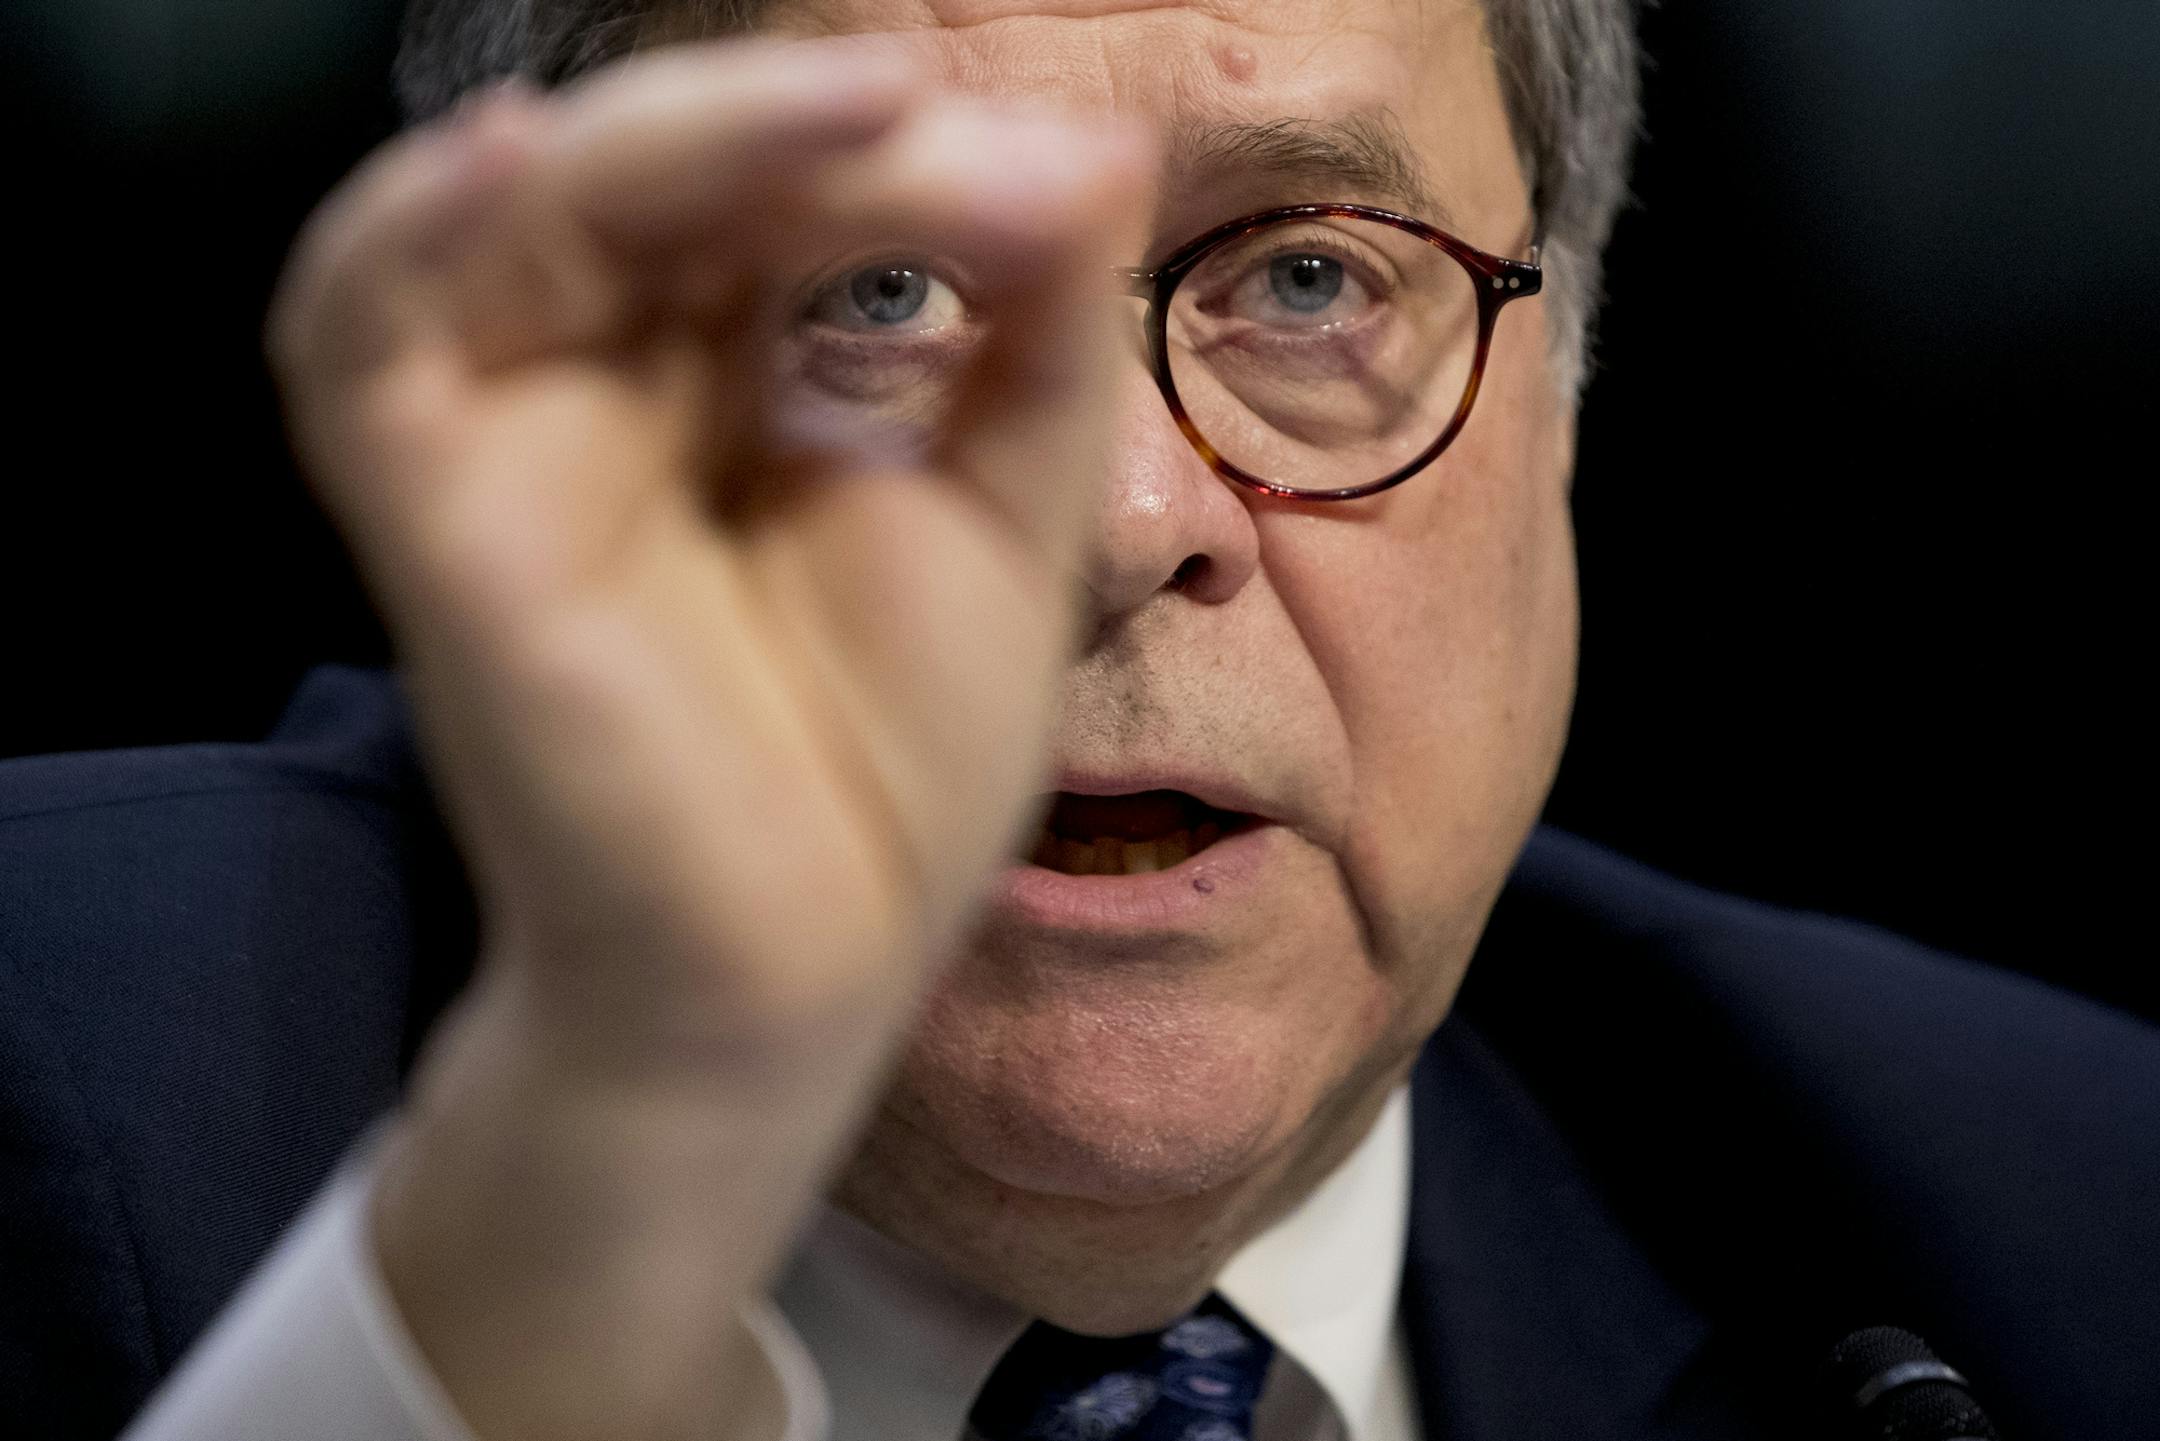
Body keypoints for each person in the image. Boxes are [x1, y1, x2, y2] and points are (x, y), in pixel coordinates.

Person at [0, 2, 2153, 1439]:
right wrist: (615, 1131)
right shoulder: (53, 1056)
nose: (1124, 516)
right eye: (877, 294)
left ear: (1563, 399)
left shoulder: (2059, 1222)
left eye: (1310, 275)